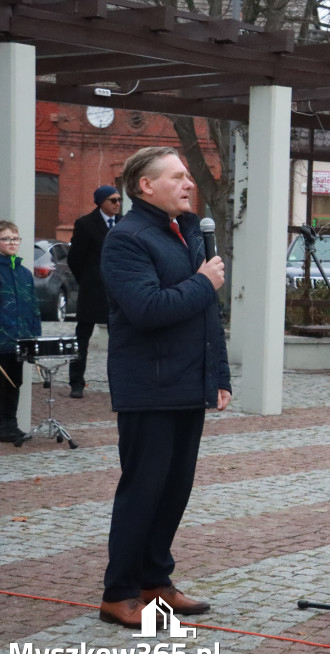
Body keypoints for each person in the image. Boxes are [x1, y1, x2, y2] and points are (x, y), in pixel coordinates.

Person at [99, 147, 231, 628]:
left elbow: (206, 315)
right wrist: (202, 281)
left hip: (187, 384)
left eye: (188, 176)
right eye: (176, 176)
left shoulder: (187, 232)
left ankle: (156, 583)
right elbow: (147, 309)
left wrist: (218, 376)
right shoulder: (127, 240)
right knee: (143, 489)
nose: (188, 183)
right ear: (144, 186)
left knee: (174, 490)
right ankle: (119, 593)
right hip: (148, 386)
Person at [67, 185, 121, 398]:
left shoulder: (124, 222)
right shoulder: (86, 224)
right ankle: (76, 382)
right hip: (92, 290)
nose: (117, 204)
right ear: (101, 202)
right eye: (112, 200)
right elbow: (75, 258)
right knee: (82, 337)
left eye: (118, 199)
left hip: (117, 291)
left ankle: (119, 382)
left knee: (120, 338)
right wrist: (88, 280)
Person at [0, 221, 41, 442]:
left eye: (15, 239)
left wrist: (35, 337)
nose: (11, 243)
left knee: (16, 382)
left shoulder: (24, 273)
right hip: (2, 339)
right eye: (6, 239)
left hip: (20, 340)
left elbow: (33, 307)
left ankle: (10, 424)